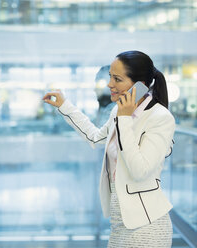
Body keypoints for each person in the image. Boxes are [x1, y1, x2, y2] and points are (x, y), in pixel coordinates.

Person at [43, 50, 175, 248]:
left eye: (117, 79)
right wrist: (65, 106)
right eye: (110, 77)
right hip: (119, 225)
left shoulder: (159, 118)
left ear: (139, 86)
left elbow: (140, 170)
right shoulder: (118, 111)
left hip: (146, 227)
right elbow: (95, 138)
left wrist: (124, 119)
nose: (109, 84)